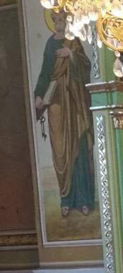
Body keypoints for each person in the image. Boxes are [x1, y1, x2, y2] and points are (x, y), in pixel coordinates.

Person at [34, 12, 95, 217]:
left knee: (79, 148)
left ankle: (84, 199)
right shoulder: (50, 44)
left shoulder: (74, 41)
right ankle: (66, 199)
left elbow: (86, 66)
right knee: (61, 151)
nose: (59, 24)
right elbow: (44, 73)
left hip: (75, 102)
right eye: (57, 21)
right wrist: (38, 94)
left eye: (62, 20)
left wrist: (71, 54)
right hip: (56, 102)